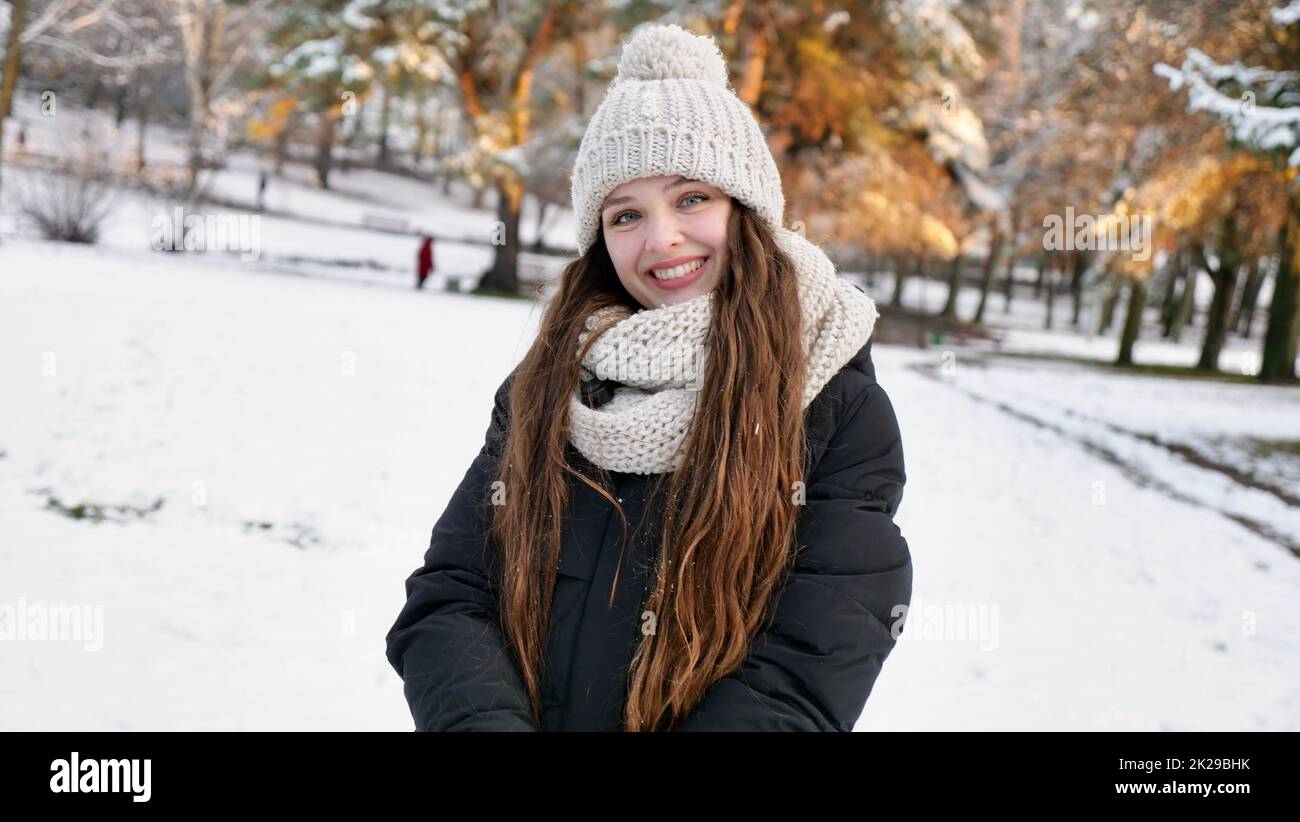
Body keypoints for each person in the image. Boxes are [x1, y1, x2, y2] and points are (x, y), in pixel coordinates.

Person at [385, 22, 912, 732]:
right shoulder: (546, 386)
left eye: (691, 198)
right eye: (626, 214)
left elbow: (806, 666)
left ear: (745, 208)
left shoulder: (836, 407)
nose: (661, 239)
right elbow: (452, 595)